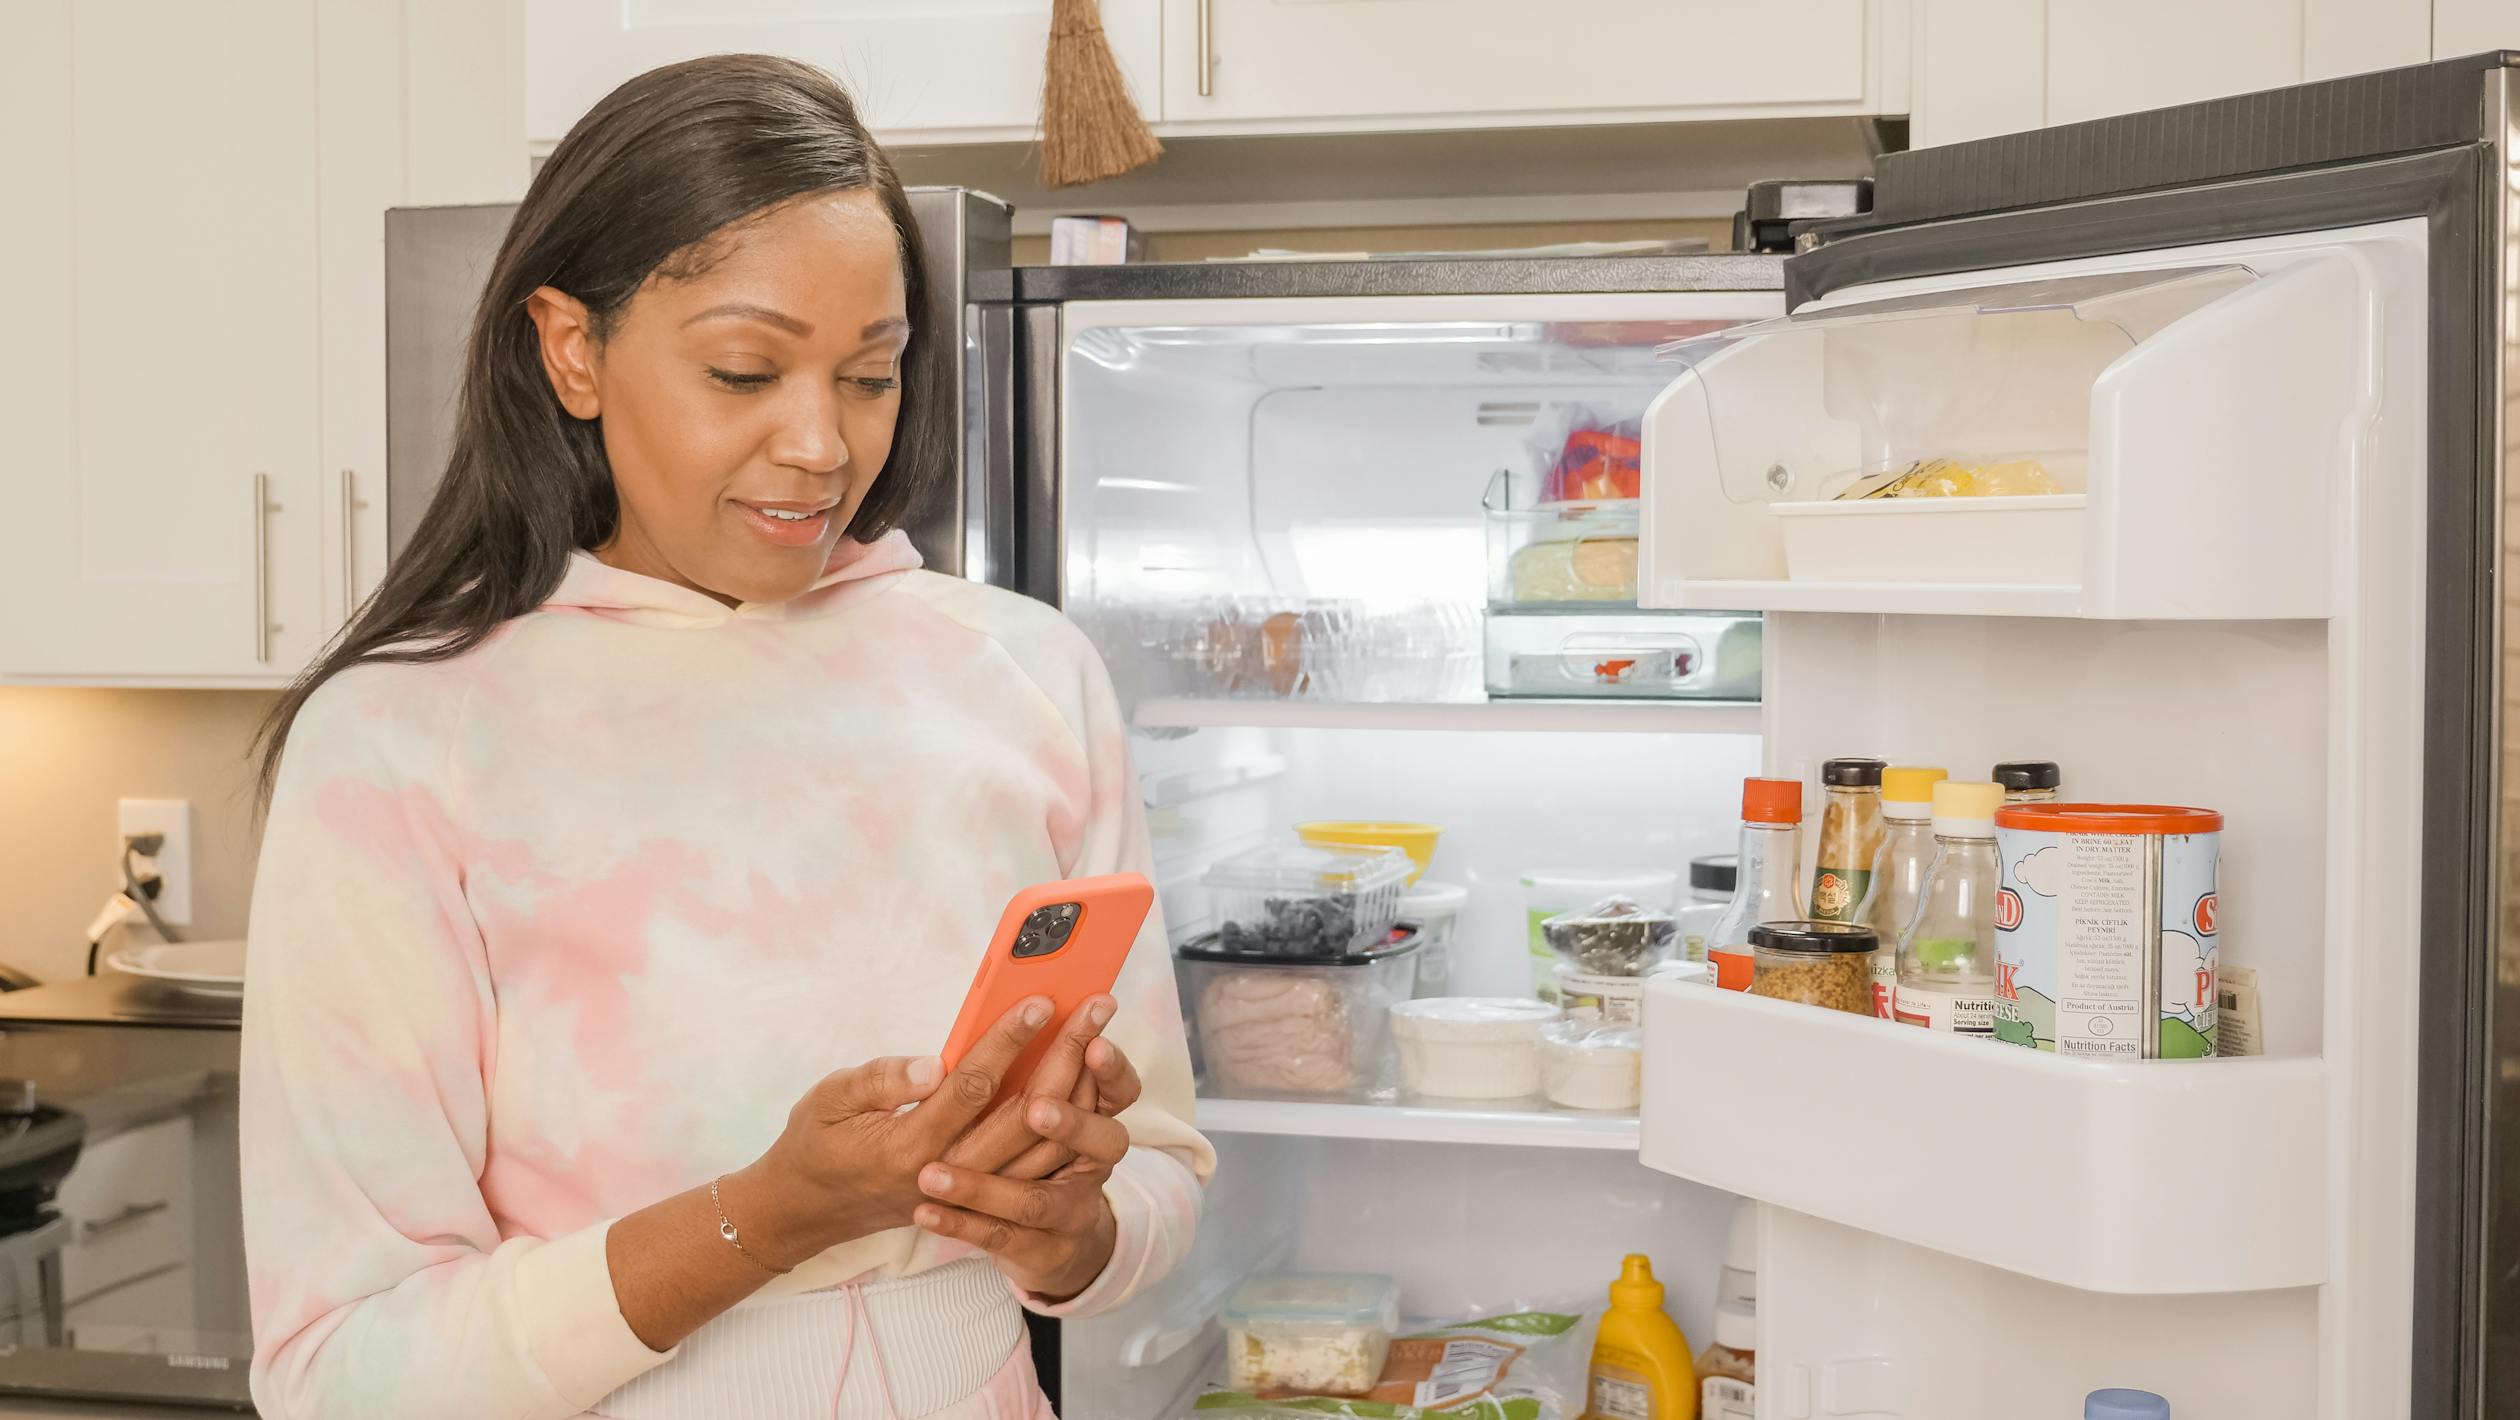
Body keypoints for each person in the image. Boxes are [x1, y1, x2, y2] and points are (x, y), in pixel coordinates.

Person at [240, 53, 1210, 1420]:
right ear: (572, 349)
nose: (819, 445)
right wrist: (765, 1216)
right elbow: (340, 1370)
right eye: (745, 371)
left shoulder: (1027, 671)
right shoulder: (403, 738)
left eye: (870, 377)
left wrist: (1074, 1229)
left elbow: (1163, 1166)